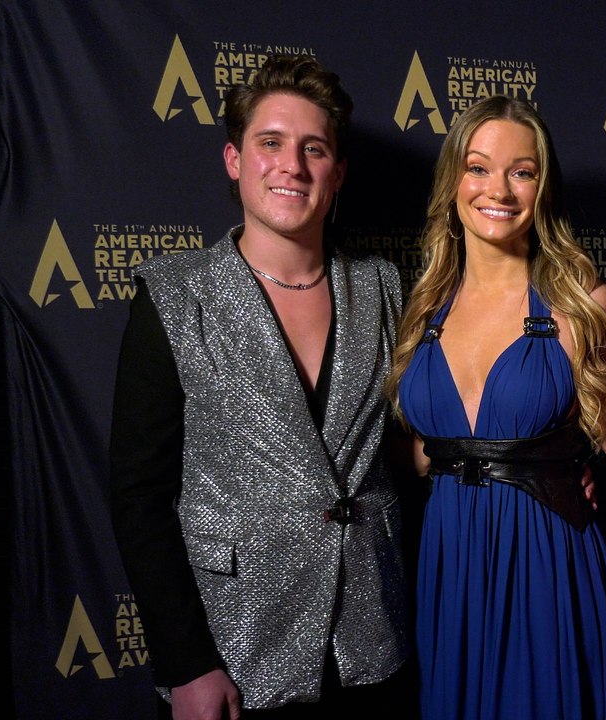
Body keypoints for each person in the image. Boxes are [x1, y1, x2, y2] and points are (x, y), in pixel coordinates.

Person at [109, 55, 411, 718]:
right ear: (234, 160)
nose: (292, 166)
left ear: (338, 172)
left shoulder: (384, 287)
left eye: (314, 149)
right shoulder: (175, 294)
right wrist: (187, 663)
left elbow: (421, 439)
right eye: (269, 143)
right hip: (235, 650)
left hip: (373, 644)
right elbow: (138, 496)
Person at [386, 95, 606, 720]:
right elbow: (418, 451)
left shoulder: (582, 305)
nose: (498, 189)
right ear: (453, 181)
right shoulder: (421, 308)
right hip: (448, 562)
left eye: (521, 171)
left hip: (547, 559)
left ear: (542, 185)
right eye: (478, 168)